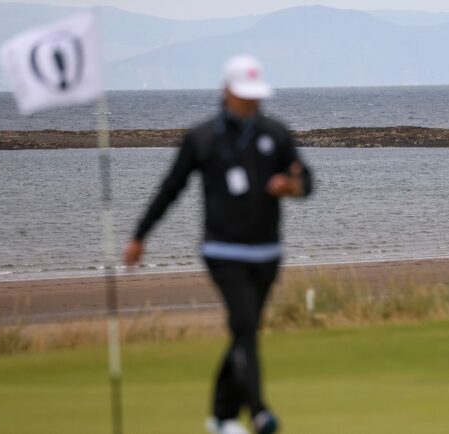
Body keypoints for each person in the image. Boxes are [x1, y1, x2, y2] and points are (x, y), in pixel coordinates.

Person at [123, 55, 313, 434]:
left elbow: (306, 181)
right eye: (245, 95)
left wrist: (291, 187)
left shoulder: (275, 134)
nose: (253, 102)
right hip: (223, 251)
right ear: (227, 91)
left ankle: (222, 417)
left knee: (245, 330)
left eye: (256, 96)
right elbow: (170, 189)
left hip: (267, 251)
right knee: (244, 326)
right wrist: (140, 235)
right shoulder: (202, 137)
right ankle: (259, 412)